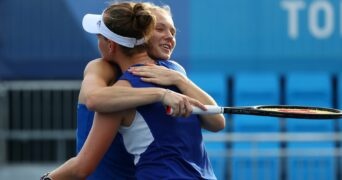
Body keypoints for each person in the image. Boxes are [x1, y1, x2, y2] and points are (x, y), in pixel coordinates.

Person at [42, 2, 225, 179]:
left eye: (100, 38)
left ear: (111, 45)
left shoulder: (121, 92)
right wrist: (163, 94)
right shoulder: (173, 71)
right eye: (159, 28)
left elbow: (82, 167)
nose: (169, 36)